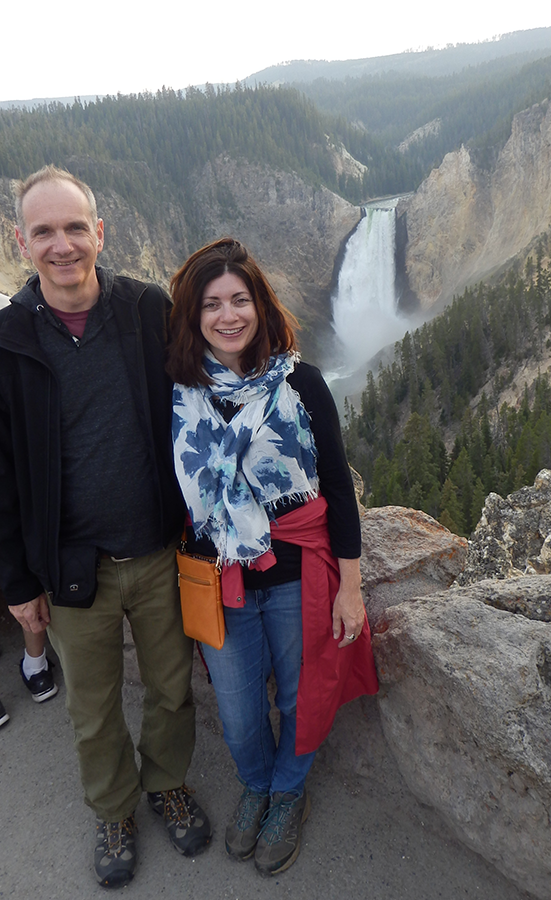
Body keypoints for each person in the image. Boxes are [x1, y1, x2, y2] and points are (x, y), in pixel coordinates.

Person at [0, 166, 211, 889]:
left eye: (75, 227)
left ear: (101, 231)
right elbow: (0, 474)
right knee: (91, 711)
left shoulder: (147, 308)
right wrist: (17, 580)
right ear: (20, 240)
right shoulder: (6, 341)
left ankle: (166, 784)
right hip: (68, 565)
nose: (63, 245)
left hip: (158, 549)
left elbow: (203, 401)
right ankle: (113, 808)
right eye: (46, 231)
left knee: (170, 689)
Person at [168, 237, 378, 876]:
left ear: (260, 305)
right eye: (212, 304)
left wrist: (351, 585)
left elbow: (337, 487)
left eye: (240, 299)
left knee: (298, 694)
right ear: (193, 314)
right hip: (219, 574)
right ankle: (256, 782)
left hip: (297, 573)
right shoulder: (179, 392)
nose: (228, 315)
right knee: (235, 709)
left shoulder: (302, 382)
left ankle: (288, 792)